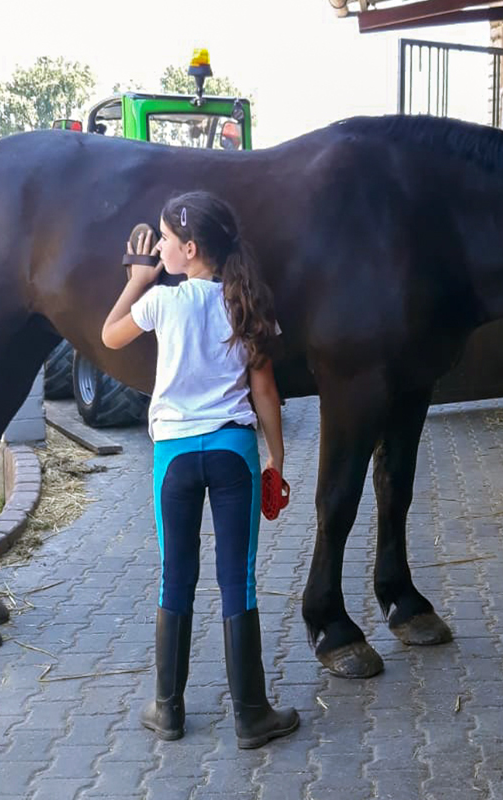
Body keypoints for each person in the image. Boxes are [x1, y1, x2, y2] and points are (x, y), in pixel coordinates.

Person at [101, 191, 299, 749]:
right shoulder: (246, 302)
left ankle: (167, 709)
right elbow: (265, 389)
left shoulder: (163, 301)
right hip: (235, 452)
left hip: (175, 458)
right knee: (239, 578)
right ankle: (252, 716)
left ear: (189, 249)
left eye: (164, 239)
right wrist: (275, 460)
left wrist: (139, 278)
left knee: (175, 576)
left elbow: (109, 335)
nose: (158, 246)